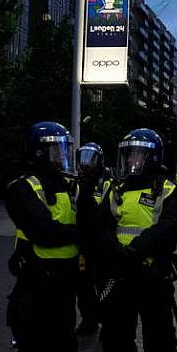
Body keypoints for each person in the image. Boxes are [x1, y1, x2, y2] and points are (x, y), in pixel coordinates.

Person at [87, 129, 177, 352]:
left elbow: (171, 227)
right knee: (115, 346)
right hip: (119, 279)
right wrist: (115, 252)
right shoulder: (115, 187)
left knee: (161, 348)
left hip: (152, 279)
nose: (131, 159)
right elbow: (102, 224)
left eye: (137, 154)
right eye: (128, 154)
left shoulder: (170, 189)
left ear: (152, 157)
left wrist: (135, 250)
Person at [5, 121, 81, 352]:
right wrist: (84, 233)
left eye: (64, 149)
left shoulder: (72, 185)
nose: (61, 156)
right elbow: (44, 231)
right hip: (34, 285)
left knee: (64, 348)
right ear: (38, 153)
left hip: (65, 284)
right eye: (54, 150)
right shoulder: (21, 188)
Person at [75, 142, 106, 336]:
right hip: (82, 242)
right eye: (83, 158)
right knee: (83, 285)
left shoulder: (106, 181)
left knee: (103, 284)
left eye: (91, 158)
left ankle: (107, 321)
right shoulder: (76, 182)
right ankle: (89, 320)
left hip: (101, 242)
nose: (86, 164)